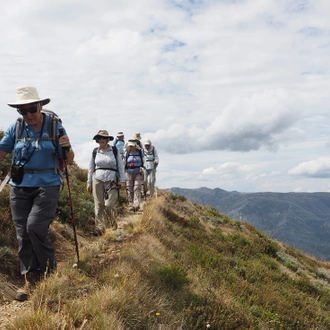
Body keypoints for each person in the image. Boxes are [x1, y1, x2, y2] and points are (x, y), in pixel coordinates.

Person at [0, 86, 74, 301]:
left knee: (35, 226)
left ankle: (49, 273)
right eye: (22, 111)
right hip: (20, 185)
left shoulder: (55, 127)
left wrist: (67, 148)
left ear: (40, 106)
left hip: (48, 184)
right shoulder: (17, 127)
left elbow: (68, 159)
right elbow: (2, 151)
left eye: (32, 108)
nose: (28, 114)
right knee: (22, 234)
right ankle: (30, 279)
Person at [87, 130, 126, 236]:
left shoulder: (114, 150)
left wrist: (122, 180)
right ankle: (99, 228)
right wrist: (89, 182)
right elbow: (91, 168)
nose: (102, 140)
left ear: (107, 139)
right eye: (100, 138)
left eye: (104, 138)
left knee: (109, 204)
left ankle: (113, 224)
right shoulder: (95, 151)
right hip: (97, 179)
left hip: (112, 180)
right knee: (98, 205)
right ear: (97, 140)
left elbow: (120, 166)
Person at [124, 139, 144, 212]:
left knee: (137, 188)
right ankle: (131, 204)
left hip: (138, 172)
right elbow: (124, 163)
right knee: (129, 188)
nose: (131, 147)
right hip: (128, 172)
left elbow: (143, 162)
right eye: (129, 146)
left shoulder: (140, 152)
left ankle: (136, 205)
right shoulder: (127, 153)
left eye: (132, 146)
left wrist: (142, 168)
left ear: (135, 146)